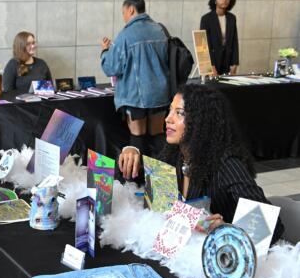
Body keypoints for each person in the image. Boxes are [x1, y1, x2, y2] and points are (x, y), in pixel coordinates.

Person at [118, 84, 284, 243]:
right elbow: (146, 192)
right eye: (170, 111)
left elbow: (271, 226)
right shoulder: (175, 155)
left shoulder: (226, 165)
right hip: (182, 253)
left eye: (179, 113)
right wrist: (131, 153)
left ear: (201, 121)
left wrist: (227, 229)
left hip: (224, 259)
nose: (168, 119)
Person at [101, 0, 170, 157]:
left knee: (137, 137)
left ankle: (138, 182)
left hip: (136, 97)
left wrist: (105, 51)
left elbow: (111, 68)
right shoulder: (160, 29)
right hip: (161, 95)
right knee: (158, 134)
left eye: (123, 12)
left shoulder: (126, 35)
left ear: (131, 9)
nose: (123, 17)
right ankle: (162, 183)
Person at [200, 0, 239, 76]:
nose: (224, 0)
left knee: (227, 89)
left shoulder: (232, 18)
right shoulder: (206, 19)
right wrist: (211, 66)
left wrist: (235, 63)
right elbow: (204, 45)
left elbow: (234, 41)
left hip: (227, 61)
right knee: (211, 88)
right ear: (215, 0)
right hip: (211, 61)